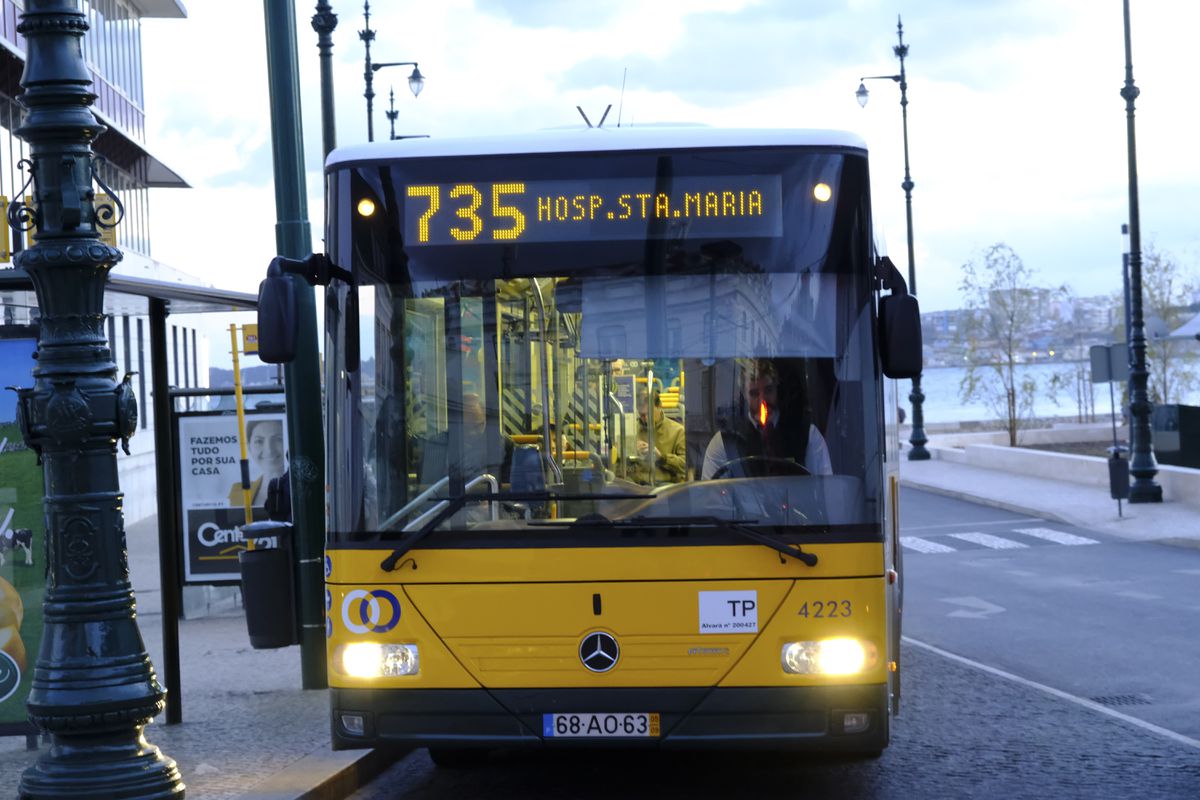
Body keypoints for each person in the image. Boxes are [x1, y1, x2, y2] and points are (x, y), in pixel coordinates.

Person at [701, 358, 831, 479]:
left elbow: (826, 488)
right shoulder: (725, 442)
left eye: (768, 390)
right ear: (744, 395)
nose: (763, 401)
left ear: (777, 390)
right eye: (754, 393)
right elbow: (712, 498)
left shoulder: (807, 435)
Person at [629, 386, 687, 485]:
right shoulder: (632, 430)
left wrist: (662, 458)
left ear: (660, 406)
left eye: (650, 414)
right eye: (642, 415)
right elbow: (619, 465)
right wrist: (631, 453)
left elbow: (685, 466)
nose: (646, 419)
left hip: (666, 488)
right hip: (637, 486)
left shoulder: (678, 431)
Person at [228, 418, 287, 506]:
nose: (269, 450)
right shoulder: (237, 492)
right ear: (249, 447)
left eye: (278, 439)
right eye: (259, 441)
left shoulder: (302, 488)